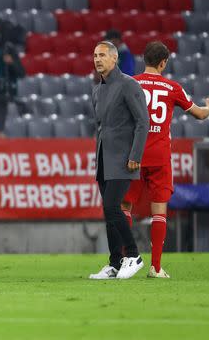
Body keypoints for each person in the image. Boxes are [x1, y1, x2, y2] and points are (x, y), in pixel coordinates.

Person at [125, 41, 209, 278]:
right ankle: (155, 267)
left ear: (144, 58)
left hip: (133, 153)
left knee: (124, 206)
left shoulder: (130, 83)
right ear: (163, 62)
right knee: (159, 210)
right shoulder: (172, 87)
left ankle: (124, 262)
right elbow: (198, 114)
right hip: (159, 156)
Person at [89, 41, 149, 280]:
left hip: (125, 160)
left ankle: (133, 255)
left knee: (113, 207)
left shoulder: (128, 85)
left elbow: (142, 122)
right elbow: (101, 128)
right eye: (94, 55)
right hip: (104, 159)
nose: (97, 59)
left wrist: (135, 155)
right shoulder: (97, 90)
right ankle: (114, 263)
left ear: (114, 59)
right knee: (108, 212)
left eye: (102, 55)